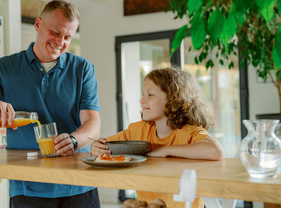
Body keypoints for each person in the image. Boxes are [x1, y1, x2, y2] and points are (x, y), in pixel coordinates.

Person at [0, 0, 101, 208]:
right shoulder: (5, 68)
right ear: (38, 24)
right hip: (28, 188)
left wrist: (74, 140)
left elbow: (93, 124)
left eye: (68, 37)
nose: (60, 42)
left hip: (79, 185)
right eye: (55, 32)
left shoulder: (82, 69)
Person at [91, 67, 224, 208]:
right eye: (143, 94)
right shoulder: (137, 130)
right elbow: (106, 146)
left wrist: (166, 150)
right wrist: (97, 147)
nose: (142, 100)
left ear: (174, 99)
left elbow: (216, 151)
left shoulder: (190, 132)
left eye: (150, 95)